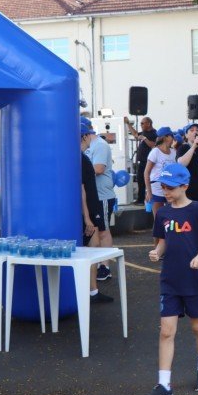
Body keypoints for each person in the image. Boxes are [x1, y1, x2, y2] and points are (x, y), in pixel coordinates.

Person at [142, 163, 198, 395]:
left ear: (185, 186)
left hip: (193, 279)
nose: (166, 192)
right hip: (170, 280)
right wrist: (157, 252)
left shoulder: (197, 210)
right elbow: (163, 242)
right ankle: (164, 384)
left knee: (197, 327)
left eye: (170, 188)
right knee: (166, 331)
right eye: (162, 187)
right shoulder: (163, 213)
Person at [80, 126, 112, 303]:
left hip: (91, 208)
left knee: (93, 246)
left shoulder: (81, 158)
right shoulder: (81, 159)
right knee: (92, 247)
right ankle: (91, 291)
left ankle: (93, 290)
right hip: (90, 210)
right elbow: (82, 189)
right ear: (84, 137)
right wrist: (87, 217)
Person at [84, 117, 118, 282]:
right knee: (96, 230)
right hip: (93, 195)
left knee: (103, 231)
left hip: (103, 195)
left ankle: (105, 266)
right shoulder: (89, 146)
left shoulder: (100, 145)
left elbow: (98, 169)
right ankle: (98, 265)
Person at [144, 127, 177, 217]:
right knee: (159, 218)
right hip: (156, 189)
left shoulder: (173, 152)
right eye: (171, 136)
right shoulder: (155, 152)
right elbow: (146, 172)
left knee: (171, 217)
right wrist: (148, 192)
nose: (173, 138)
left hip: (170, 188)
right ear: (165, 137)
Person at [125, 116, 157, 204]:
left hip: (148, 161)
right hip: (142, 161)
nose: (141, 125)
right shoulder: (144, 132)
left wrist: (145, 139)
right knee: (140, 179)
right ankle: (140, 199)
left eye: (143, 123)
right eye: (141, 123)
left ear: (149, 124)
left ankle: (144, 199)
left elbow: (153, 145)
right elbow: (135, 134)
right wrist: (128, 124)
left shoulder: (154, 133)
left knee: (145, 180)